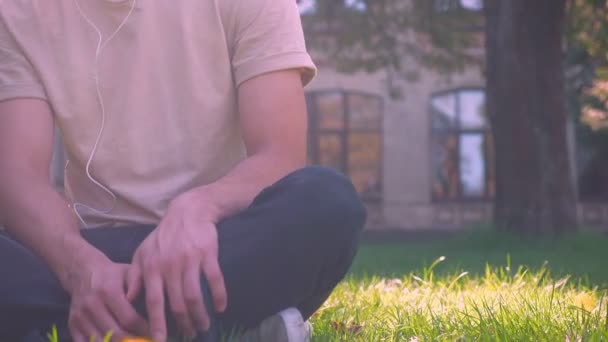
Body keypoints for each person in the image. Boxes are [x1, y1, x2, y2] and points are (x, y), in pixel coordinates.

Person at [0, 0, 367, 341]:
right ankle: (226, 328)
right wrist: (78, 269)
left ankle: (89, 328)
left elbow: (279, 155)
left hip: (219, 245)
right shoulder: (18, 10)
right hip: (95, 250)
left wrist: (198, 209)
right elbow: (19, 178)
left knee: (328, 202)